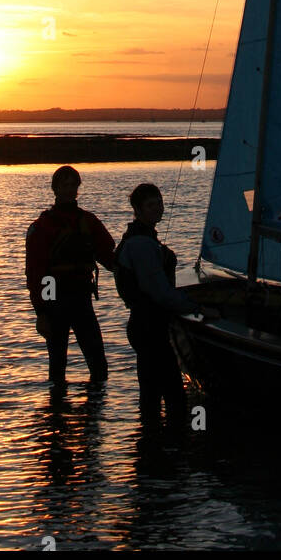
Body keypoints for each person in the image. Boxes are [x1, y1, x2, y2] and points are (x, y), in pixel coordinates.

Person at [114, 182, 216, 417]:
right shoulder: (140, 244)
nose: (157, 208)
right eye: (150, 205)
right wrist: (198, 308)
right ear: (137, 210)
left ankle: (151, 445)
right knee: (172, 396)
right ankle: (166, 445)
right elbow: (159, 292)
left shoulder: (142, 238)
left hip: (148, 327)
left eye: (159, 202)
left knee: (151, 394)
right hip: (147, 328)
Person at [25, 165, 115, 387]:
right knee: (57, 367)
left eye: (73, 185)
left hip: (82, 299)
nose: (69, 189)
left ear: (78, 188)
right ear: (55, 189)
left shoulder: (88, 221)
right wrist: (41, 312)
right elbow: (36, 273)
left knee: (98, 365)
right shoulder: (43, 226)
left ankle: (95, 416)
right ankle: (56, 415)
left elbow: (108, 255)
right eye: (64, 185)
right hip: (55, 302)